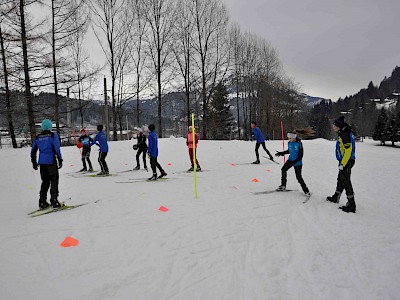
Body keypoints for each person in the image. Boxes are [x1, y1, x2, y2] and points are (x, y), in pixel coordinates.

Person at [30, 119, 63, 209]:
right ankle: (54, 200)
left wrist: (34, 162)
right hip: (51, 161)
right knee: (54, 180)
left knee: (45, 182)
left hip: (42, 162)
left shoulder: (38, 137)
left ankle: (42, 201)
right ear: (50, 127)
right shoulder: (53, 135)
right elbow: (57, 148)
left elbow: (33, 150)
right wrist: (60, 159)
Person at [327, 116, 356, 213]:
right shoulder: (343, 132)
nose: (333, 127)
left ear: (339, 126)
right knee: (341, 179)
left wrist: (343, 164)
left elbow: (348, 151)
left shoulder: (345, 135)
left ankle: (351, 204)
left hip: (347, 161)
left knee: (346, 181)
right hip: (344, 161)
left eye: (334, 126)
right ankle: (336, 197)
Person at [275, 128, 314, 197]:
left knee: (299, 178)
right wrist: (281, 153)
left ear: (294, 137)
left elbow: (300, 156)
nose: (289, 139)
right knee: (283, 170)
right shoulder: (290, 143)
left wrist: (294, 162)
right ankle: (283, 186)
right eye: (288, 138)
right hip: (290, 160)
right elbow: (289, 151)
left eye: (290, 138)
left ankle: (306, 191)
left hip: (297, 162)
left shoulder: (299, 144)